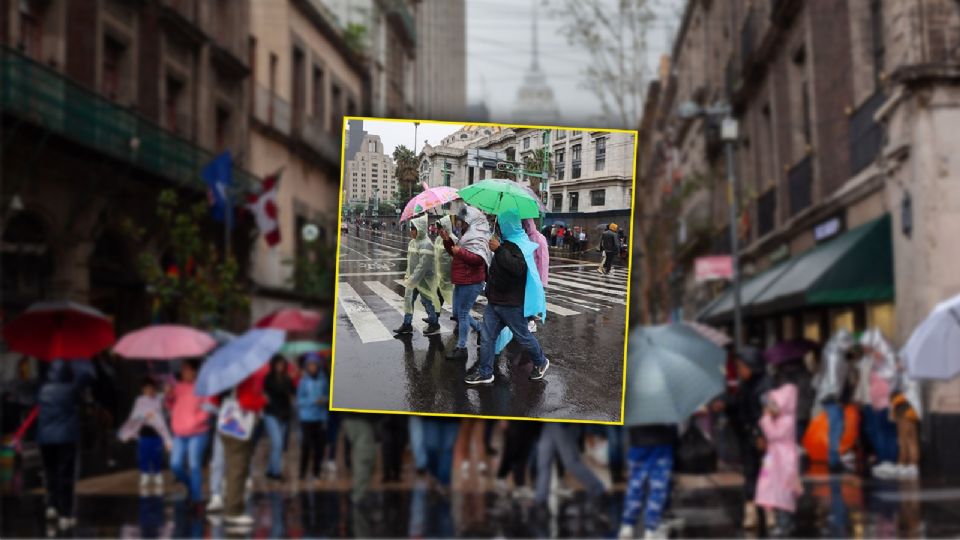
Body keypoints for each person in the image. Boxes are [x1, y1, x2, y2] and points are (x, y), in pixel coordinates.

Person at [465, 209, 549, 385]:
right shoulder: (504, 242)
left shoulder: (521, 244)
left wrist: (500, 249)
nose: (498, 228)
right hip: (495, 301)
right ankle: (486, 372)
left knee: (523, 337)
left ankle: (541, 362)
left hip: (512, 304)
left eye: (501, 224)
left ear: (507, 225)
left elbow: (518, 269)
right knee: (487, 337)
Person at [37, 359, 95, 529]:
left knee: (50, 472)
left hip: (45, 438)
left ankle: (51, 506)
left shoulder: (43, 390)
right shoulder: (71, 389)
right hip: (66, 438)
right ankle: (66, 514)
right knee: (66, 476)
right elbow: (85, 382)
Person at [728, 346, 771, 529]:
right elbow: (740, 409)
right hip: (748, 437)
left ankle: (769, 513)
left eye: (742, 367)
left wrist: (762, 434)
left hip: (763, 438)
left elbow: (769, 413)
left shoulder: (766, 386)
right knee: (750, 473)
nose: (739, 371)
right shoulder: (745, 386)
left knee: (766, 474)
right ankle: (751, 512)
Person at [221, 363, 268, 527]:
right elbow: (247, 402)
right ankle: (233, 512)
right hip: (239, 429)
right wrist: (262, 400)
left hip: (226, 426)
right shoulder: (245, 378)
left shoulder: (227, 376)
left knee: (233, 468)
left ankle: (233, 507)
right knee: (238, 469)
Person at [442, 206, 491, 361]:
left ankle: (461, 348)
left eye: (462, 220)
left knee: (462, 314)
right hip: (462, 279)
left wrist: (459, 251)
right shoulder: (467, 235)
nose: (459, 223)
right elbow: (456, 253)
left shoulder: (477, 236)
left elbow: (478, 260)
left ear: (470, 220)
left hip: (472, 281)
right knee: (457, 313)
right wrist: (447, 240)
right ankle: (480, 329)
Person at [755, 381, 802, 537]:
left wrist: (766, 419)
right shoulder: (782, 418)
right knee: (774, 488)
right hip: (776, 458)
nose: (770, 408)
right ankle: (783, 521)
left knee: (783, 491)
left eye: (774, 404)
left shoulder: (786, 420)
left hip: (784, 460)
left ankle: (785, 522)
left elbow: (774, 435)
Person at [617, 424, 678, 540]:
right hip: (662, 442)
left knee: (635, 485)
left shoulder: (632, 405)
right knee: (658, 488)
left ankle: (627, 525)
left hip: (637, 441)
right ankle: (651, 529)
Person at [164, 359, 212, 507]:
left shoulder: (204, 388)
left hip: (198, 433)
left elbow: (207, 410)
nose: (183, 372)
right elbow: (171, 406)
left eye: (186, 369)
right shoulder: (178, 387)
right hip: (180, 433)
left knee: (194, 465)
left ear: (195, 371)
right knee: (175, 464)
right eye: (183, 369)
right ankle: (191, 486)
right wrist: (169, 396)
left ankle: (196, 499)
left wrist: (194, 421)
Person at [856, 329, 900, 478]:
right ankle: (885, 460)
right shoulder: (871, 361)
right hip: (875, 402)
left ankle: (887, 460)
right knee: (879, 431)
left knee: (884, 431)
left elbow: (885, 382)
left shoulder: (882, 361)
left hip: (884, 403)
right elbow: (865, 382)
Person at [118, 377, 173, 489]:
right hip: (144, 432)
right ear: (142, 390)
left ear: (154, 389)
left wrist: (167, 389)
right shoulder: (139, 400)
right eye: (146, 389)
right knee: (143, 454)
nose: (149, 392)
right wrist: (144, 416)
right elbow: (134, 417)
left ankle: (157, 473)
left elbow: (167, 396)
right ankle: (145, 474)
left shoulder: (159, 398)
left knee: (156, 454)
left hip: (157, 432)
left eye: (151, 389)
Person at [813, 330, 855, 473]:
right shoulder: (834, 355)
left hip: (829, 396)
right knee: (835, 429)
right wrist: (836, 396)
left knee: (835, 428)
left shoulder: (832, 352)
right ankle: (834, 460)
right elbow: (833, 378)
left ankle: (834, 459)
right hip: (831, 397)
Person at [534, 423, 605, 507]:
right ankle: (540, 497)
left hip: (563, 423)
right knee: (543, 461)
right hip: (548, 423)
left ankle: (597, 488)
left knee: (571, 462)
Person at [394, 213, 441, 336]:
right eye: (411, 229)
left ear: (419, 230)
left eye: (413, 229)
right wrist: (407, 275)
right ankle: (407, 324)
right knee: (408, 300)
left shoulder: (427, 244)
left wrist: (412, 278)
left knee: (426, 302)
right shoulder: (412, 243)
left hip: (424, 280)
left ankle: (434, 323)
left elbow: (423, 266)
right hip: (413, 279)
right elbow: (410, 262)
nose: (411, 231)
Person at [263, 355, 295, 481]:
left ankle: (270, 470)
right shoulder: (269, 379)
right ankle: (276, 472)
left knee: (278, 445)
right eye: (278, 364)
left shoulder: (287, 379)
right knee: (278, 443)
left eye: (282, 364)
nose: (280, 367)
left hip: (284, 415)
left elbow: (292, 393)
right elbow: (275, 391)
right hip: (271, 414)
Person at [297, 354, 329, 481]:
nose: (312, 367)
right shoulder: (303, 382)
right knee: (306, 446)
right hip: (307, 418)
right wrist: (313, 401)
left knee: (319, 447)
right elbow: (300, 400)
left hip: (320, 418)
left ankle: (316, 471)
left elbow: (328, 396)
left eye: (314, 365)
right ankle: (302, 472)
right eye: (310, 365)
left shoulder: (324, 380)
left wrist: (324, 400)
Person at [496, 421, 542, 498]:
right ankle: (502, 476)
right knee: (511, 449)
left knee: (525, 451)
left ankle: (520, 484)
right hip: (515, 419)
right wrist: (503, 418)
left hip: (531, 422)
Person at [433, 215, 457, 311]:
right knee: (438, 298)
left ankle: (460, 319)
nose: (439, 231)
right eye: (438, 228)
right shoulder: (438, 239)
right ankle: (434, 320)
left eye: (441, 228)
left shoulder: (453, 239)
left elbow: (456, 256)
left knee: (454, 299)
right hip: (440, 275)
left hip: (451, 277)